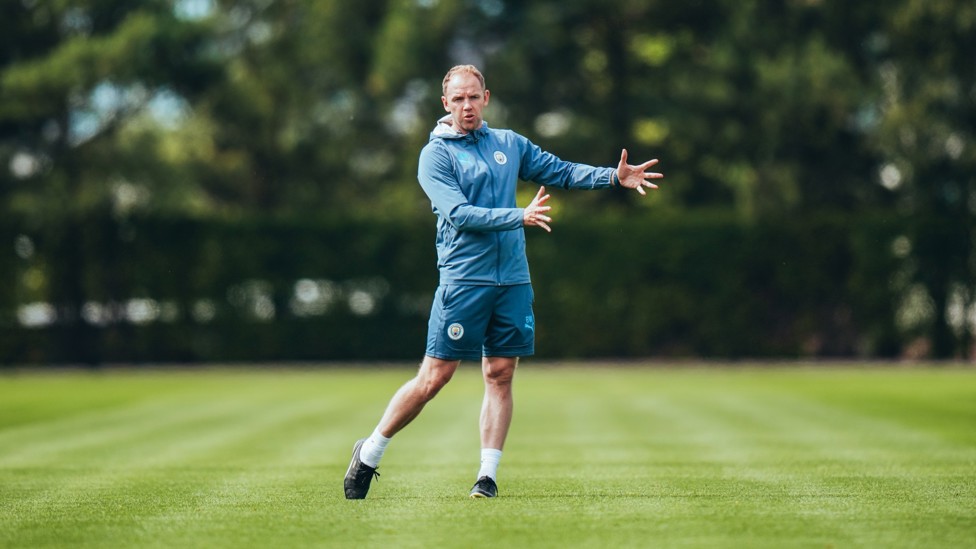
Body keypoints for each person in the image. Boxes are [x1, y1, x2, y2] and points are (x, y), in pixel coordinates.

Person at [344, 64, 663, 500]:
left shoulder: (508, 144)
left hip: (512, 280)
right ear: (445, 104)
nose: (466, 106)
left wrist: (612, 176)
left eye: (473, 97)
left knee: (499, 374)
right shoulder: (435, 155)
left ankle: (486, 477)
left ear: (486, 97)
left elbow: (560, 170)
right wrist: (519, 215)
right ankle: (370, 452)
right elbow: (459, 214)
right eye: (457, 99)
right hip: (464, 279)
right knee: (435, 377)